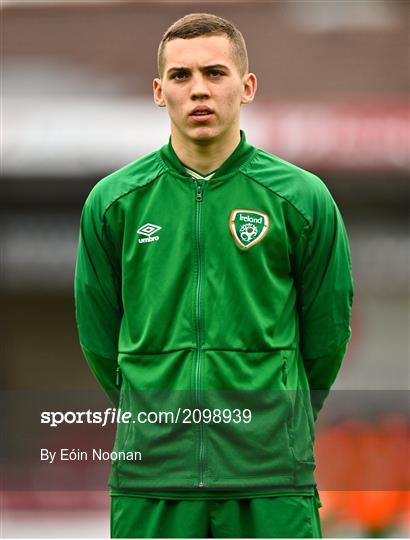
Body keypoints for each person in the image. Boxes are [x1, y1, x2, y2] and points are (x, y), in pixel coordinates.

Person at [74, 12, 354, 538]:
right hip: (152, 480)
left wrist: (278, 419)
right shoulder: (114, 203)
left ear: (246, 86)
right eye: (181, 76)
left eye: (215, 73)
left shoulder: (302, 199)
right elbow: (97, 339)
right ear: (159, 92)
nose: (198, 89)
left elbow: (327, 337)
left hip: (271, 479)